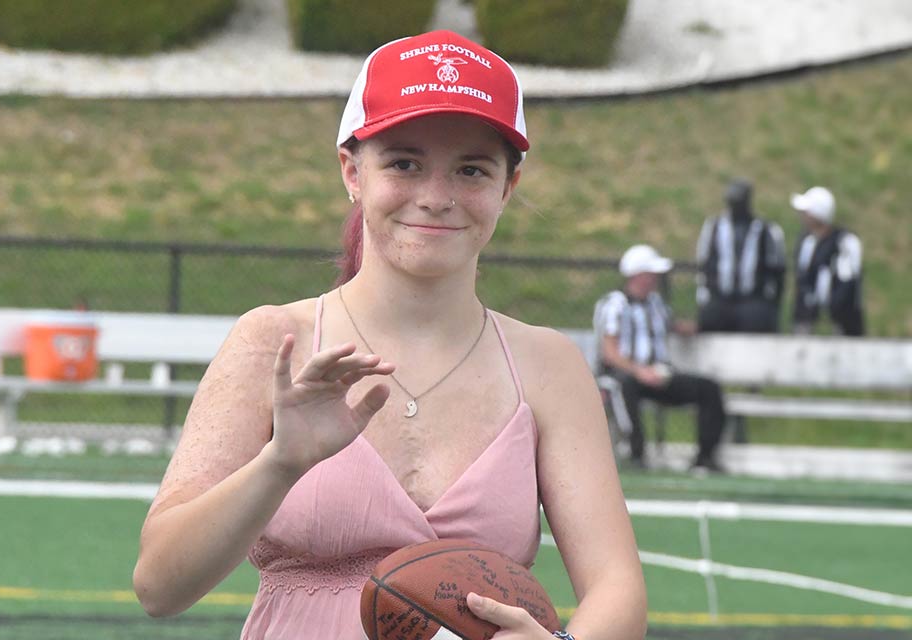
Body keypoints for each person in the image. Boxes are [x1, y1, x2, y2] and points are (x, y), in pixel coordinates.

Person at [132, 30, 647, 639]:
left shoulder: (547, 365)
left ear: (508, 187)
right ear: (353, 171)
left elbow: (618, 590)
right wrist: (279, 464)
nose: (436, 197)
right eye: (404, 163)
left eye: (472, 170)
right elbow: (160, 585)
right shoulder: (276, 342)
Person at [593, 244, 726, 472]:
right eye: (650, 274)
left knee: (708, 389)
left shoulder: (656, 304)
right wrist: (639, 371)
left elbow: (672, 327)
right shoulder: (615, 305)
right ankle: (636, 454)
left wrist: (706, 323)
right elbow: (610, 352)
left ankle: (705, 458)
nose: (655, 278)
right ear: (638, 275)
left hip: (658, 373)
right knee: (625, 387)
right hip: (627, 375)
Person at [696, 177, 786, 333]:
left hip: (753, 300)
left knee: (757, 317)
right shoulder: (713, 227)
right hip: (720, 298)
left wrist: (772, 303)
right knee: (711, 316)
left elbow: (777, 271)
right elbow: (703, 262)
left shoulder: (766, 230)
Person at [790, 186, 865, 336]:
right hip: (807, 320)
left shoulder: (845, 243)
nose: (803, 216)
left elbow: (847, 283)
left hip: (841, 323)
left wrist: (829, 310)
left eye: (807, 212)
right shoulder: (807, 242)